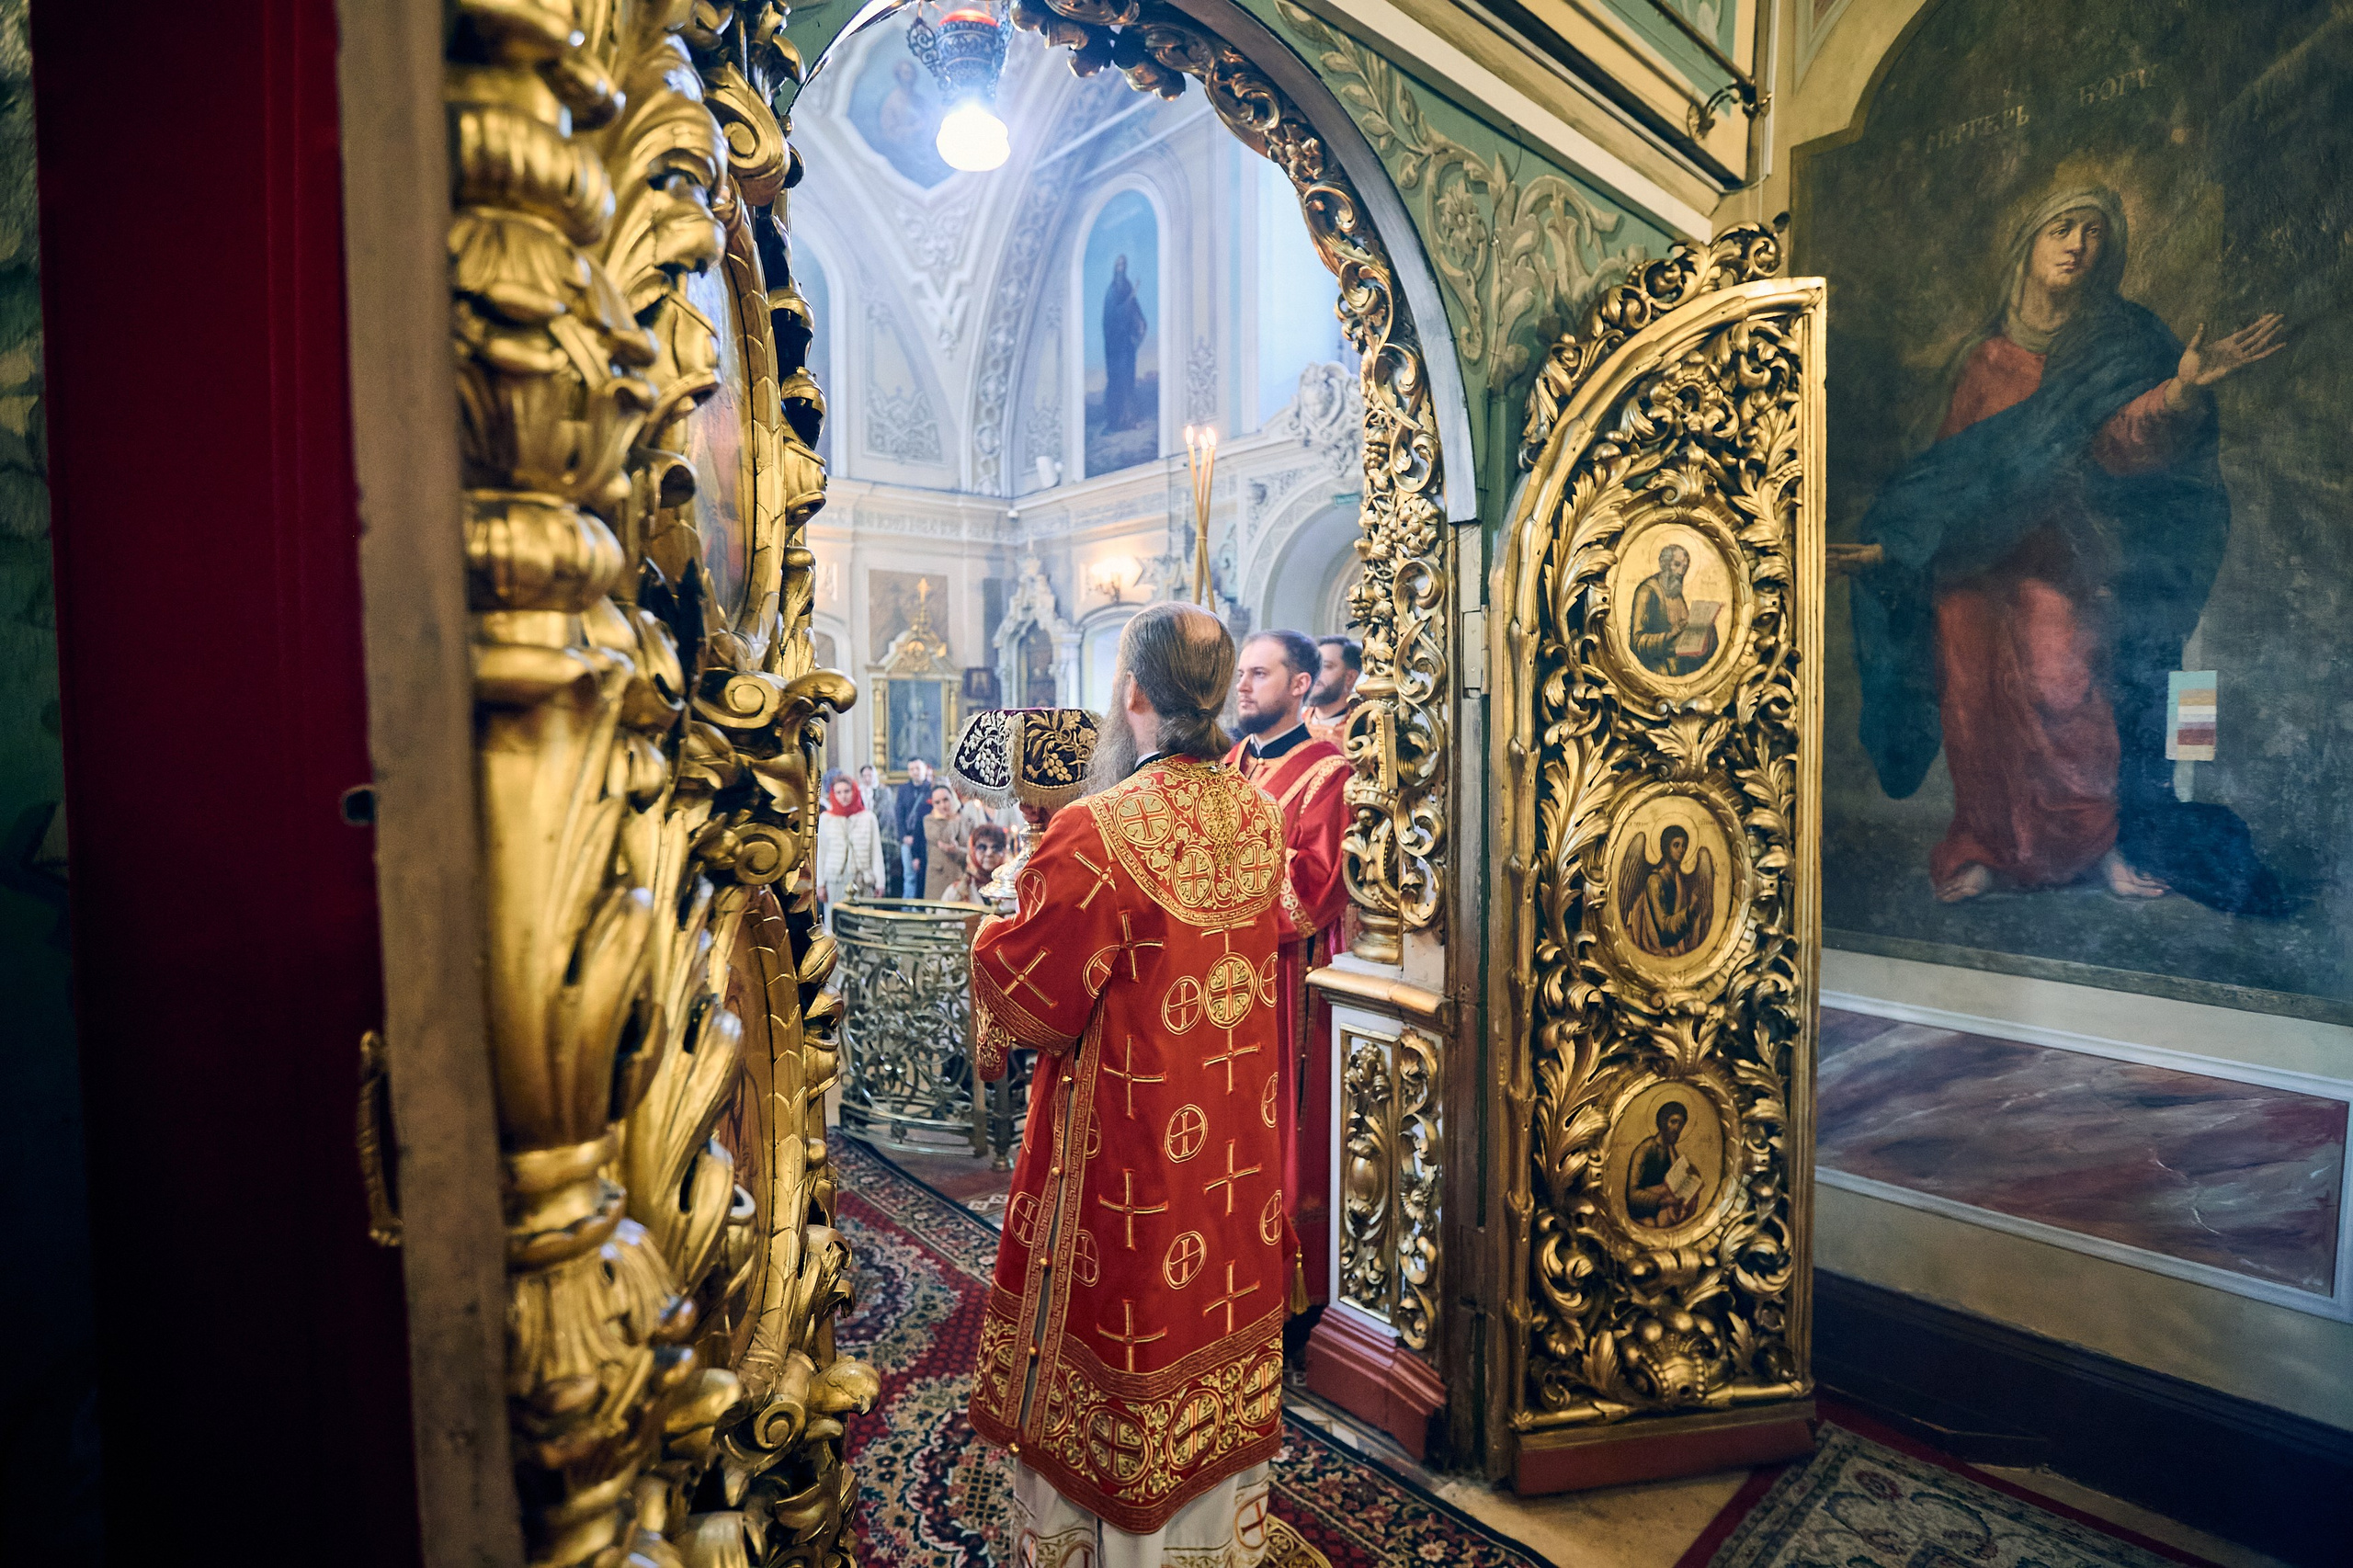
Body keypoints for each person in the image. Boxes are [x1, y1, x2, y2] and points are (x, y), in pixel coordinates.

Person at [969, 601, 1306, 1564]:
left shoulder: (1099, 828)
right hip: (1232, 1158)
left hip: (1125, 1157)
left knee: (1123, 1323)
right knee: (1208, 1317)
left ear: (1133, 695)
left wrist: (991, 922)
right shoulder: (1259, 812)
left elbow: (1029, 999)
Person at [1844, 181, 2288, 912]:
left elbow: (2124, 442)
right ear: (2030, 243)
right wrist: (1899, 543)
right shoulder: (1983, 360)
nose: (2079, 244)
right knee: (1973, 704)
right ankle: (1989, 849)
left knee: (2064, 689)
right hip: (1971, 562)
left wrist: (2179, 391)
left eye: (2092, 233)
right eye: (2063, 229)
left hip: (2057, 553)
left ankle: (2098, 843)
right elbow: (1953, 470)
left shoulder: (2106, 348)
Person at [1224, 630, 1349, 1314]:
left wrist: (1215, 897)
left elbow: (1312, 890)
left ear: (1300, 686)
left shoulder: (1326, 773)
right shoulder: (1229, 762)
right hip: (1214, 975)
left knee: (1277, 1136)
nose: (1243, 685)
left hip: (1280, 987)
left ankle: (1284, 1293)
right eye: (1241, 673)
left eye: (1260, 674)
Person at [1618, 824, 1715, 959]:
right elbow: (1663, 930)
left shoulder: (1680, 879)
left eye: (1684, 846)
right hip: (1659, 943)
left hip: (1677, 941)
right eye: (1676, 845)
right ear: (1666, 846)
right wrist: (1691, 909)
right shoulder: (1654, 881)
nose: (1682, 850)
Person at [1628, 544, 1720, 676]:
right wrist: (1669, 635)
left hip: (1682, 668)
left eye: (1684, 567)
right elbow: (1637, 642)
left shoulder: (1674, 590)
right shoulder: (1647, 592)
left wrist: (1704, 630)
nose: (1680, 572)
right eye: (1677, 565)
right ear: (1663, 564)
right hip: (1658, 670)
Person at [813, 770, 885, 924]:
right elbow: (822, 853)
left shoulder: (868, 818)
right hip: (835, 878)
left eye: (847, 791)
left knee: (864, 921)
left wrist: (880, 882)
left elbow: (876, 852)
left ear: (854, 791)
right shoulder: (826, 819)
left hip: (861, 878)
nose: (843, 796)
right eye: (838, 792)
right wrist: (820, 884)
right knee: (836, 921)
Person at [1627, 1101, 1701, 1229]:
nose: (1677, 1128)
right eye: (1673, 1122)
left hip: (1665, 1209)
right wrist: (1662, 1201)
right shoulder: (1645, 1150)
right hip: (1644, 1210)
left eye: (1681, 1124)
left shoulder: (1671, 1151)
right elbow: (1632, 1194)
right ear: (1663, 1122)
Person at [1101, 254, 1147, 431]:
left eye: (1123, 265)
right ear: (1115, 268)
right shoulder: (1111, 291)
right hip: (1115, 346)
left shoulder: (1127, 287)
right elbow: (1110, 318)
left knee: (1129, 380)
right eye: (1118, 265)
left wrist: (1139, 323)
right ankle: (1115, 420)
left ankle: (1130, 418)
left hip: (1127, 345)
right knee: (1117, 381)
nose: (1121, 268)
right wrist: (1124, 308)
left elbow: (1134, 309)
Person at [1302, 634, 1360, 748]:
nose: (1314, 674)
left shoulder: (1362, 727)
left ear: (1350, 678)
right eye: (1313, 666)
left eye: (1326, 666)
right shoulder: (1297, 723)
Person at [921, 781, 970, 900]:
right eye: (937, 802)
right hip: (938, 881)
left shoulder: (968, 820)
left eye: (946, 800)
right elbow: (946, 839)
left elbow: (972, 851)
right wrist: (953, 820)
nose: (943, 806)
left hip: (961, 879)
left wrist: (957, 851)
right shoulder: (929, 821)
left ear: (952, 798)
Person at [858, 764, 901, 898]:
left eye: (869, 775)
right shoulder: (858, 793)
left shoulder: (883, 792)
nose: (867, 779)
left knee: (881, 868)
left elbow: (887, 815)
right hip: (863, 836)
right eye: (864, 776)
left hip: (881, 835)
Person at [941, 823, 1008, 904]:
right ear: (973, 851)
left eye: (996, 847)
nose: (989, 853)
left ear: (1005, 851)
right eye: (982, 847)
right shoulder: (956, 892)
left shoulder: (1014, 890)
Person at [896, 756, 934, 900]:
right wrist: (904, 836)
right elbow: (899, 815)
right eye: (911, 769)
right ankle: (908, 910)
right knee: (909, 876)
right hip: (908, 839)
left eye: (918, 768)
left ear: (924, 769)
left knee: (926, 874)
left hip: (927, 839)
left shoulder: (932, 788)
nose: (915, 772)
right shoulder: (904, 789)